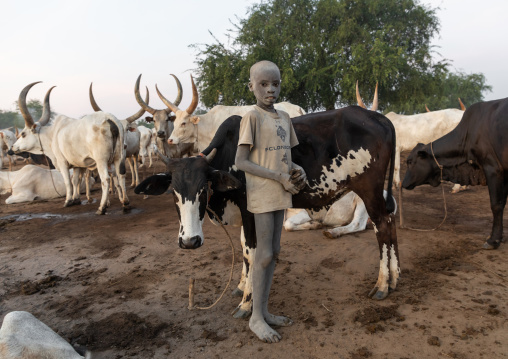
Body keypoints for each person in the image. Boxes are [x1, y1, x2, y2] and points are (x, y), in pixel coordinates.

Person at [235, 60, 306, 343]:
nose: (270, 90)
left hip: (282, 190)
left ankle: (263, 311)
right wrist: (277, 175)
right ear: (251, 86)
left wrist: (299, 170)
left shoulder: (284, 118)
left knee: (274, 251)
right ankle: (255, 318)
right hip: (263, 193)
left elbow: (288, 156)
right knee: (263, 254)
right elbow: (240, 161)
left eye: (275, 84)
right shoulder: (251, 118)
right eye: (263, 84)